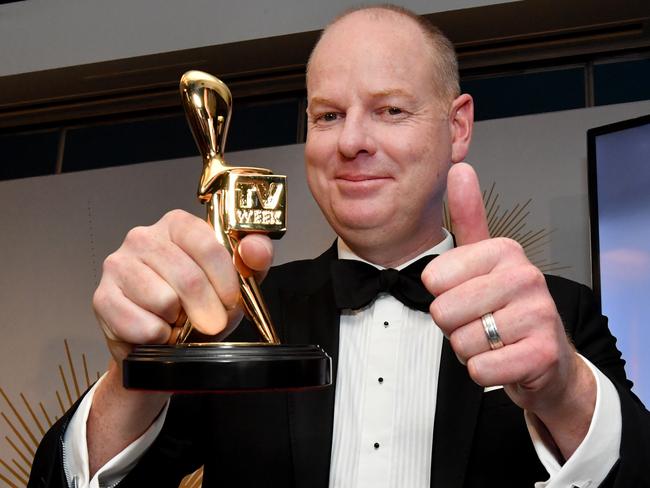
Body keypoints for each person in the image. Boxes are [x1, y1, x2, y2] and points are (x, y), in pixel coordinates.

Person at [29, 5, 649, 488]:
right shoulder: (234, 318)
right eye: (326, 116)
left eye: (390, 110)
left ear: (458, 126)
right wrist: (129, 373)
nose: (350, 141)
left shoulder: (560, 316)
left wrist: (564, 391)